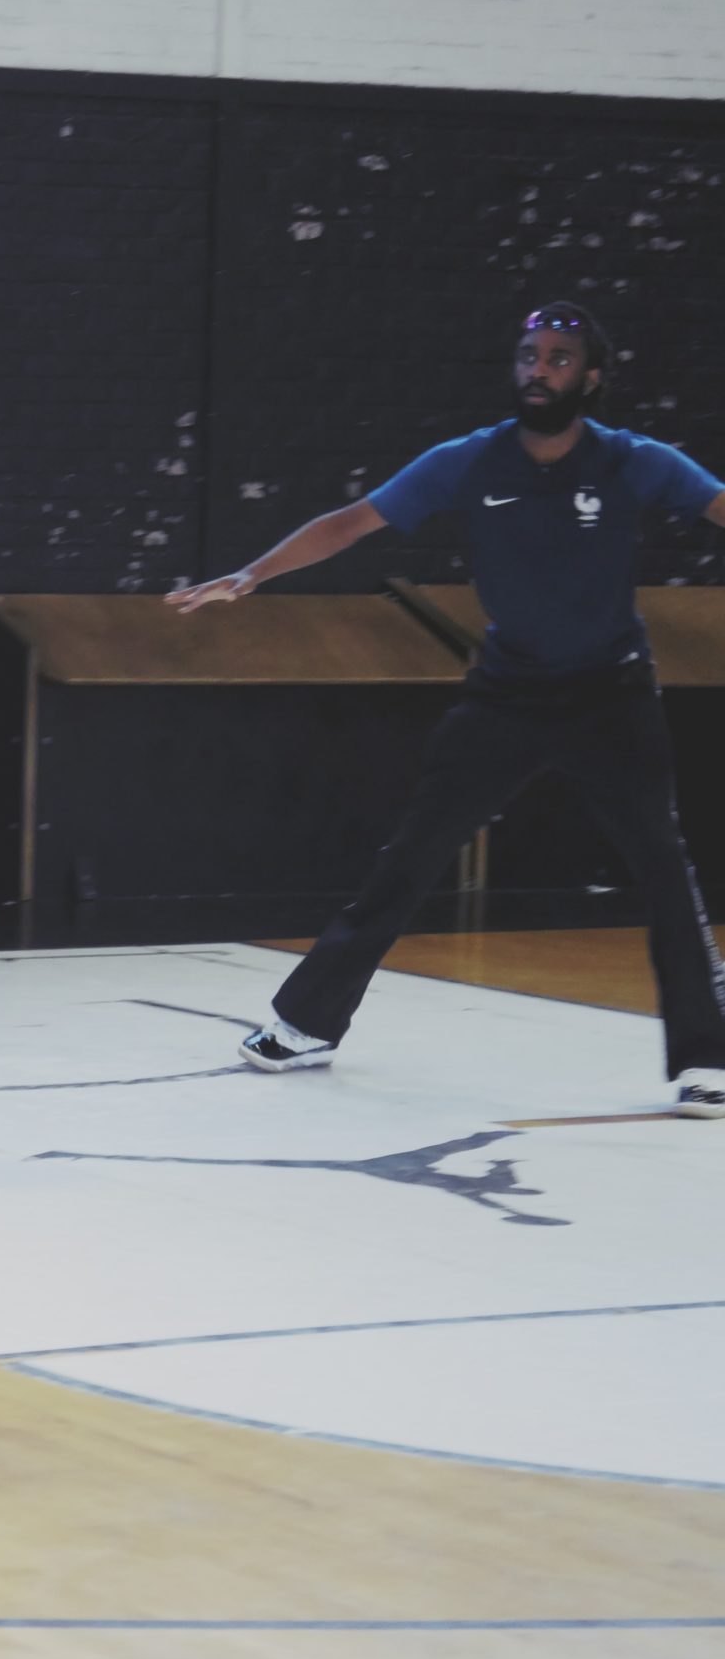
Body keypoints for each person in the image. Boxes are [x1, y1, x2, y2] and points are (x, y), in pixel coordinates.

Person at [171, 302, 725, 1116]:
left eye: (560, 358)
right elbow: (352, 522)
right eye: (530, 355)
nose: (540, 369)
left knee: (661, 867)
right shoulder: (470, 461)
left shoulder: (632, 462)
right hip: (508, 692)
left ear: (592, 376)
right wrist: (251, 575)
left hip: (611, 692)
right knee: (412, 853)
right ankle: (308, 1025)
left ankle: (706, 1060)